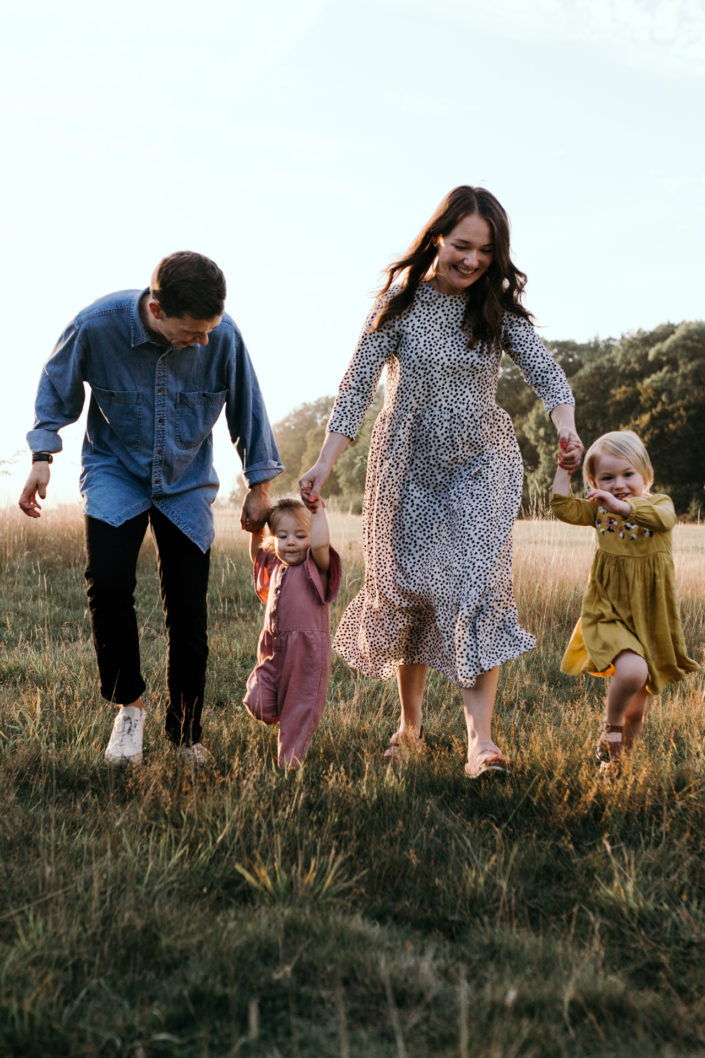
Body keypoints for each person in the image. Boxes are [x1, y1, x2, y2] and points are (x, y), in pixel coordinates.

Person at [299, 185, 582, 778]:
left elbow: (548, 374)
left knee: (475, 584)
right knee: (414, 593)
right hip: (406, 467)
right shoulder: (398, 304)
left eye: (485, 251)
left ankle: (481, 742)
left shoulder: (495, 309)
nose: (473, 260)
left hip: (482, 464)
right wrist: (325, 462)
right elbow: (356, 388)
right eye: (462, 246)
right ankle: (410, 727)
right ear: (436, 239)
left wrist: (567, 427)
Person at [19, 251, 283, 767]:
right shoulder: (98, 325)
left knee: (188, 609)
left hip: (186, 483)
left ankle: (186, 735)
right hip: (115, 471)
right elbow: (56, 387)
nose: (205, 340)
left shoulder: (222, 335)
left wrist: (260, 485)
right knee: (109, 585)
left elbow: (249, 406)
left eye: (210, 329)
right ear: (157, 309)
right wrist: (42, 455)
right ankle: (129, 709)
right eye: (194, 331)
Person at [551, 429, 698, 771]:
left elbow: (664, 519)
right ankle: (609, 727)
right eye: (607, 477)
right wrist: (564, 469)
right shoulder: (599, 511)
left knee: (639, 706)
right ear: (595, 481)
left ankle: (615, 766)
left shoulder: (659, 504)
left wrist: (623, 507)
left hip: (649, 616)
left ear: (646, 474)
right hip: (608, 610)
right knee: (631, 672)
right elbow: (561, 507)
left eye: (627, 474)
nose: (618, 484)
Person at [243, 497, 342, 768]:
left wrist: (318, 511)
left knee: (299, 706)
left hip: (306, 654)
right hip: (272, 650)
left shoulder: (316, 567)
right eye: (283, 536)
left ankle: (290, 763)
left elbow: (321, 544)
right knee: (257, 701)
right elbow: (257, 553)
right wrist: (256, 528)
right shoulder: (275, 564)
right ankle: (282, 714)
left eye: (300, 536)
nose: (291, 542)